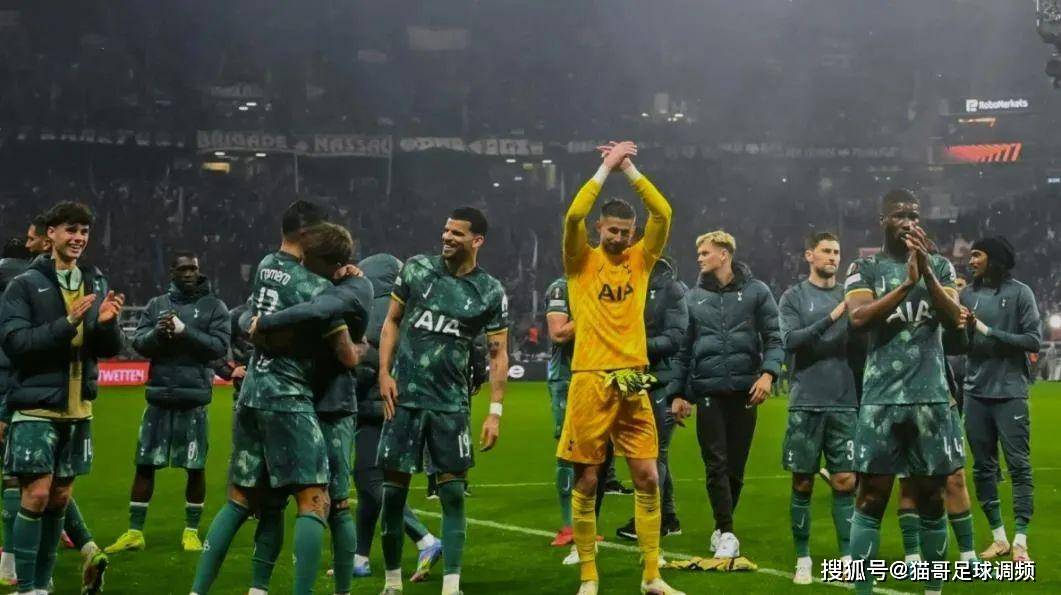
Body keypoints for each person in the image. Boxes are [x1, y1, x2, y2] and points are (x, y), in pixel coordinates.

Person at [189, 201, 361, 595]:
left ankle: (198, 591)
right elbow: (347, 355)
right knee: (314, 501)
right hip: (288, 398)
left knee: (240, 499)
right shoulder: (313, 287)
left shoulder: (266, 265)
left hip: (251, 392)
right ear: (306, 234)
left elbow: (250, 316)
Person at [557, 140, 681, 595]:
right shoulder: (580, 260)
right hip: (590, 376)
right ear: (600, 228)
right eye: (613, 231)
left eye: (627, 232)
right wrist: (604, 168)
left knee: (647, 475)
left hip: (632, 375)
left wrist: (630, 170)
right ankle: (589, 576)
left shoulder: (640, 260)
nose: (621, 238)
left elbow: (663, 213)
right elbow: (573, 216)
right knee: (588, 479)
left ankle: (652, 575)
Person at [376, 206, 509, 595]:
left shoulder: (490, 291)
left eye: (457, 233)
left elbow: (498, 353)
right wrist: (384, 372)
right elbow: (392, 320)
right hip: (404, 400)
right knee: (393, 495)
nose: (447, 237)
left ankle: (452, 584)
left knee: (452, 494)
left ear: (477, 240)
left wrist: (495, 412)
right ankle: (392, 582)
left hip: (450, 405)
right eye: (446, 231)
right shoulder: (416, 269)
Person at [0, 202, 124, 595]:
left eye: (84, 231)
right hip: (35, 405)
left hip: (78, 407)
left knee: (59, 497)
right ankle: (25, 587)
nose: (79, 238)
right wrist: (67, 322)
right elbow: (16, 343)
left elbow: (108, 349)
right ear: (50, 233)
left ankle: (42, 585)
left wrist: (108, 325)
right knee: (35, 493)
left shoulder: (94, 281)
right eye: (71, 230)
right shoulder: (23, 284)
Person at [844, 188, 963, 595]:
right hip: (881, 400)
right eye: (899, 215)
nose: (909, 222)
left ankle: (934, 590)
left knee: (932, 499)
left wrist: (926, 274)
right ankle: (862, 590)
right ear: (883, 221)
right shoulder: (865, 268)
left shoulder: (941, 266)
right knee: (871, 499)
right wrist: (906, 285)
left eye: (913, 215)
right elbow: (859, 318)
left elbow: (956, 318)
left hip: (931, 399)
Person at [243, 221, 370, 595]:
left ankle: (341, 591)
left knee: (337, 503)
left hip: (332, 405)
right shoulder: (308, 284)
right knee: (278, 502)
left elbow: (345, 348)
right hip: (299, 402)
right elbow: (243, 311)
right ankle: (259, 588)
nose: (301, 260)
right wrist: (250, 321)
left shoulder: (350, 288)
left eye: (308, 255)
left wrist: (263, 323)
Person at [106, 251, 231, 554]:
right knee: (145, 465)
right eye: (183, 269)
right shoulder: (156, 305)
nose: (189, 273)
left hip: (194, 399)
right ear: (172, 272)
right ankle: (134, 532)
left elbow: (218, 347)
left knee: (195, 467)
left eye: (193, 269)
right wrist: (159, 335)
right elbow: (139, 344)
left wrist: (185, 332)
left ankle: (191, 532)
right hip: (159, 397)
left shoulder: (214, 306)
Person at [678, 230, 783, 562]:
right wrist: (679, 394)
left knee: (736, 468)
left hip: (745, 392)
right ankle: (727, 531)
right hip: (708, 392)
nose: (699, 258)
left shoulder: (757, 292)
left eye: (705, 252)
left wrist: (768, 374)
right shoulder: (693, 298)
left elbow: (774, 337)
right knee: (716, 464)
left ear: (724, 254)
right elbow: (683, 351)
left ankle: (721, 528)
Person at [350, 253, 443, 581]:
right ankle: (359, 557)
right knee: (370, 484)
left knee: (369, 479)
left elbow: (365, 364)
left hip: (375, 407)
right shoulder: (408, 307)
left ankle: (424, 538)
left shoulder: (369, 311)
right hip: (403, 405)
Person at [777, 232, 857, 584]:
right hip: (806, 402)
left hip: (845, 401)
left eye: (837, 251)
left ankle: (847, 558)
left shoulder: (850, 294)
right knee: (803, 482)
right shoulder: (794, 297)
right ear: (809, 255)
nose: (833, 257)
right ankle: (803, 558)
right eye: (826, 251)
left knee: (845, 481)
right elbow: (791, 340)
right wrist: (834, 316)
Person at [960, 236, 1041, 562]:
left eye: (976, 255)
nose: (971, 261)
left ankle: (1021, 539)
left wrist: (987, 331)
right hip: (975, 393)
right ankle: (999, 538)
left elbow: (1033, 340)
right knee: (983, 468)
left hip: (1009, 392)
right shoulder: (967, 295)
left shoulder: (1021, 293)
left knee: (1019, 466)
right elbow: (960, 342)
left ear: (993, 259)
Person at [614, 256, 688, 542]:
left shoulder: (671, 289)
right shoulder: (629, 285)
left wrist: (634, 346)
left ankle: (649, 520)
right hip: (634, 376)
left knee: (652, 452)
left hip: (661, 379)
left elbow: (674, 339)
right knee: (650, 452)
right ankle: (668, 518)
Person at [545, 276, 576, 548]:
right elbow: (558, 333)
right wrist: (596, 310)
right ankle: (568, 526)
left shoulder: (600, 285)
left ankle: (585, 523)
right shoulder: (561, 288)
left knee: (595, 456)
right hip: (566, 379)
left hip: (597, 374)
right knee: (568, 452)